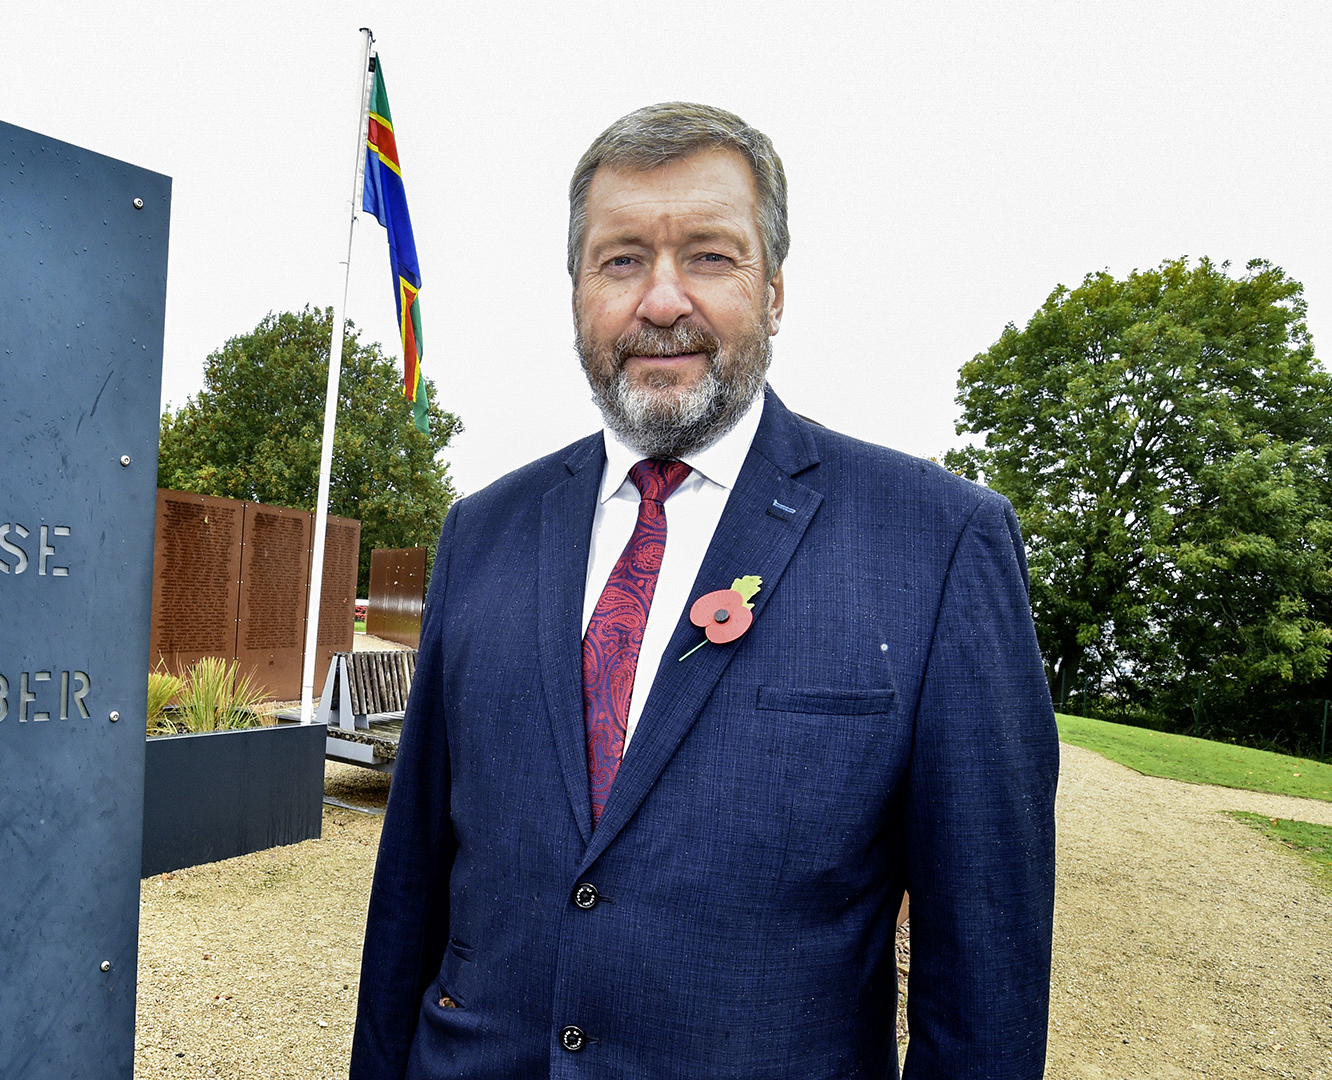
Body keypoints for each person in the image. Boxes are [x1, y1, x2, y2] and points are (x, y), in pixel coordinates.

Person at [350, 102, 1057, 1079]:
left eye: (712, 257)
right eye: (622, 258)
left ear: (774, 290)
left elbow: (984, 980)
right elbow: (410, 902)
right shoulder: (482, 532)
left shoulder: (937, 547)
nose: (662, 299)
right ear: (576, 292)